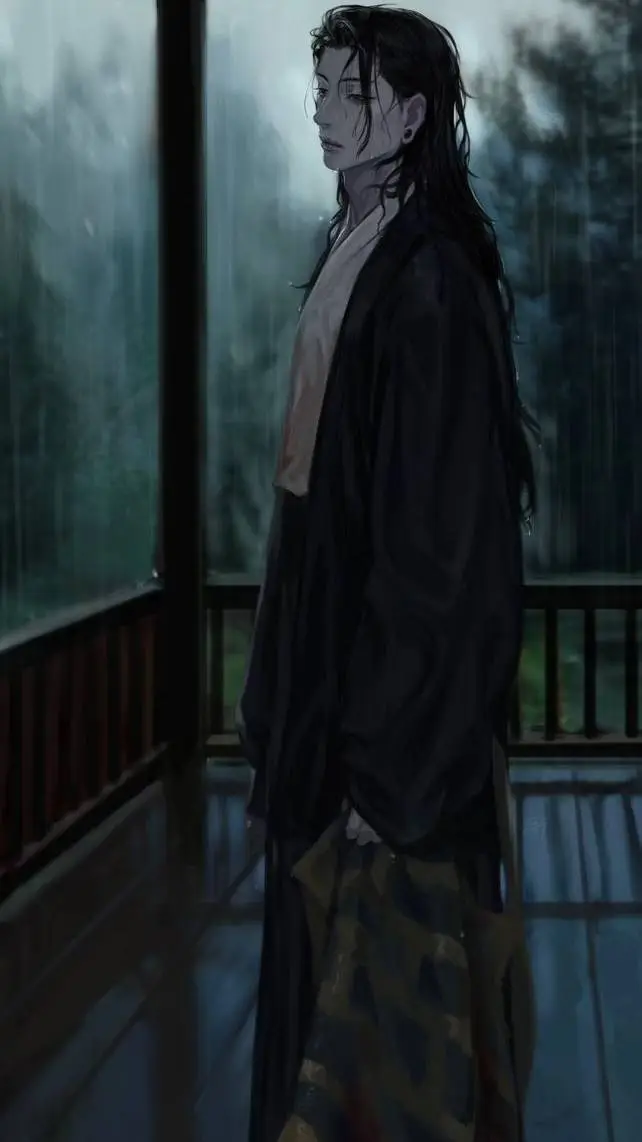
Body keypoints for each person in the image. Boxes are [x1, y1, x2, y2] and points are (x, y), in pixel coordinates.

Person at [238, 7, 538, 1141]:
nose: (324, 110)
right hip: (331, 707)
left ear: (411, 117)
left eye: (351, 91)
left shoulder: (430, 283)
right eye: (321, 86)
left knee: (392, 1057)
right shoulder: (359, 245)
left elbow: (441, 552)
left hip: (388, 741)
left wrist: (389, 763)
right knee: (320, 1022)